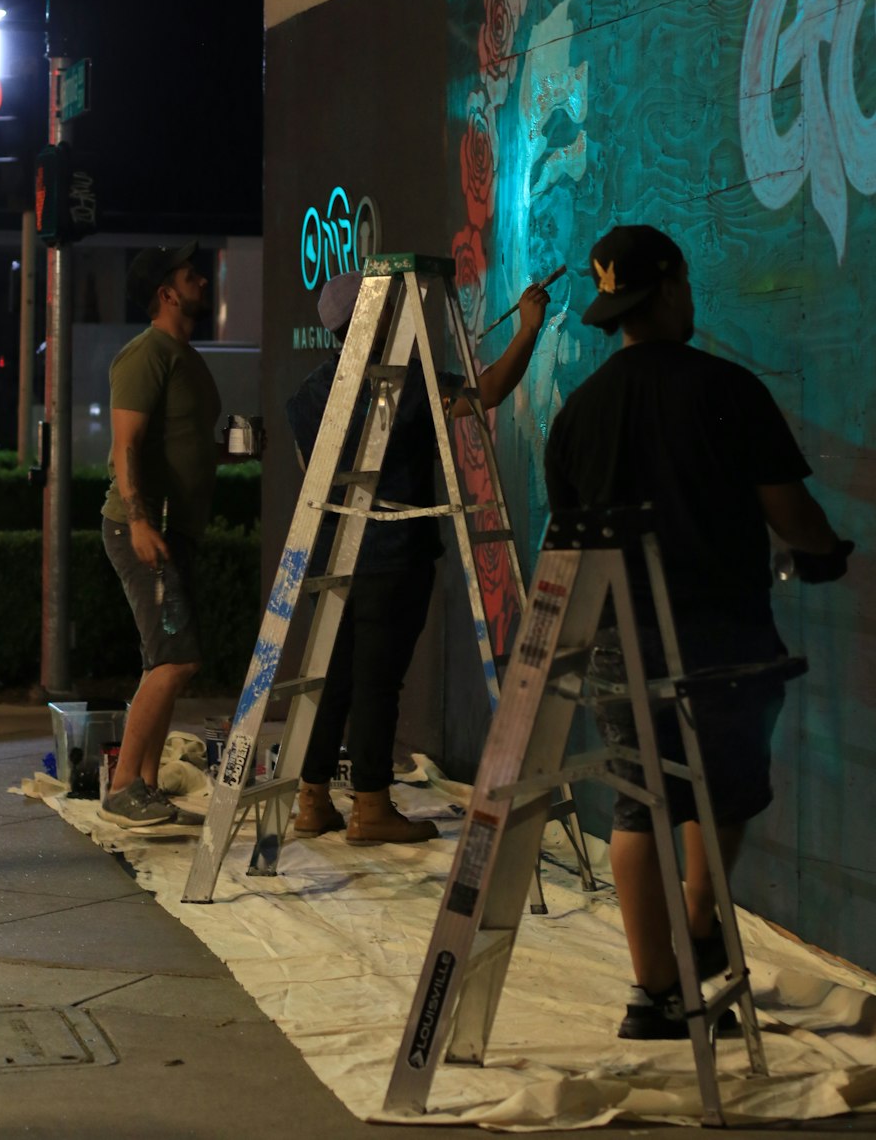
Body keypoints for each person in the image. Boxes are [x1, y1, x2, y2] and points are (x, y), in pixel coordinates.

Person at [543, 224, 853, 1039]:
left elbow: (569, 541)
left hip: (614, 642)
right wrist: (826, 554)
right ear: (675, 284)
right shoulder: (726, 389)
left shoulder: (577, 415)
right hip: (722, 642)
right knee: (723, 789)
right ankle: (701, 918)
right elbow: (791, 513)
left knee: (638, 805)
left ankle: (653, 993)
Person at [287, 269, 553, 845]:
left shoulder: (309, 391)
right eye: (385, 308)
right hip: (390, 558)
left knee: (333, 678)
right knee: (379, 682)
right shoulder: (402, 385)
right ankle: (371, 807)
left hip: (332, 556)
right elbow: (488, 393)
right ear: (370, 321)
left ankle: (311, 801)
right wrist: (528, 330)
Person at [99, 241, 238, 828]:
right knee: (177, 659)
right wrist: (138, 521)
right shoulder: (145, 355)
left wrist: (225, 452)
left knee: (164, 659)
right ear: (166, 292)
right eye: (190, 274)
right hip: (144, 530)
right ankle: (124, 785)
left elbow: (177, 444)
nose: (202, 280)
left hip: (173, 530)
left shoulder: (186, 356)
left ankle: (147, 785)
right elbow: (123, 446)